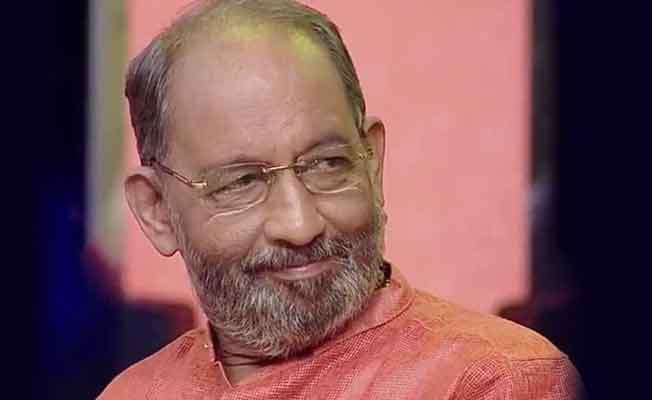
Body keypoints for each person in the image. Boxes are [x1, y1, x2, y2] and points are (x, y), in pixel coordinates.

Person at [99, 0, 583, 398]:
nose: (300, 224)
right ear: (157, 210)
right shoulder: (133, 393)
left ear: (371, 163)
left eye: (327, 165)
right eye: (242, 182)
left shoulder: (496, 381)